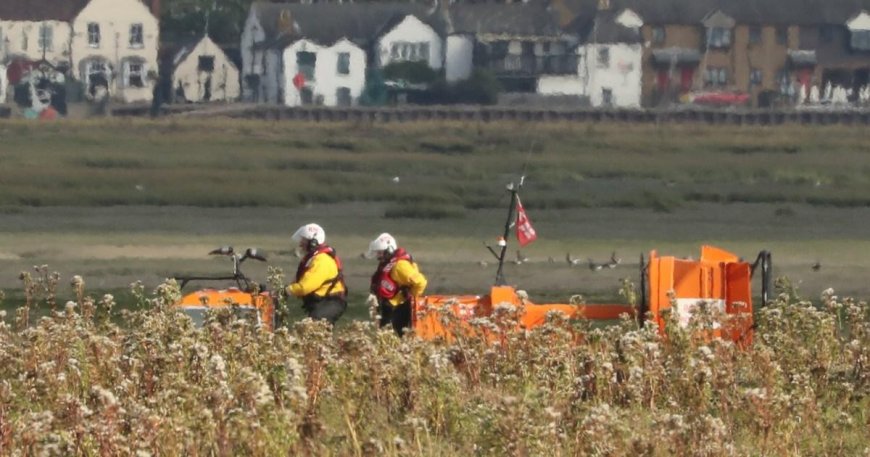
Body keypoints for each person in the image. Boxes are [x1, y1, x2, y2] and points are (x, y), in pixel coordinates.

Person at [366, 233, 427, 336]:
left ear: (389, 249)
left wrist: (408, 296)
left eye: (380, 252)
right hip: (389, 308)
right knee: (386, 337)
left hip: (401, 307)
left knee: (398, 336)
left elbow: (421, 282)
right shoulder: (387, 264)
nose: (378, 255)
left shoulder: (400, 266)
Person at [286, 223, 347, 325]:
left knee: (313, 329)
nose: (300, 243)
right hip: (323, 302)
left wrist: (287, 291)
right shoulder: (313, 258)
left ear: (313, 242)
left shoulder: (321, 260)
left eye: (304, 240)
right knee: (313, 332)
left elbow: (304, 287)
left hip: (330, 302)